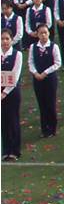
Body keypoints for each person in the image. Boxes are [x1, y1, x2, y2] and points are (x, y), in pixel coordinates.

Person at [27, 23, 62, 137]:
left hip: (50, 78)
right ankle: (44, 129)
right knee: (42, 104)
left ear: (48, 33)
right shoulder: (33, 47)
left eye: (45, 33)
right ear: (37, 34)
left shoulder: (53, 46)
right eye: (41, 33)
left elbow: (57, 63)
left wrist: (45, 73)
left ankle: (52, 128)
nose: (43, 35)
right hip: (37, 79)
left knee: (50, 103)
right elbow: (30, 62)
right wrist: (36, 73)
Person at [1, 30, 23, 160]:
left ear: (11, 40)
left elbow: (14, 75)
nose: (4, 41)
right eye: (2, 39)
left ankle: (15, 150)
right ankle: (6, 150)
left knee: (13, 120)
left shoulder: (17, 55)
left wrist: (4, 92)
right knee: (3, 121)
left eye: (7, 39)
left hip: (12, 92)